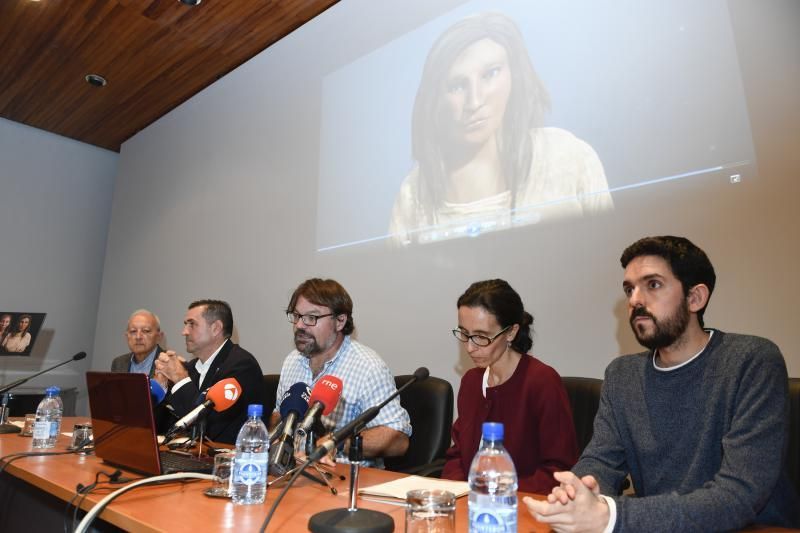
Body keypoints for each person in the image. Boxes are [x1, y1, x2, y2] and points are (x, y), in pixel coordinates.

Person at [525, 236, 800, 531]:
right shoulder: (622, 375)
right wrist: (578, 494)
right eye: (629, 289)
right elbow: (601, 460)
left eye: (652, 285)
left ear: (695, 298)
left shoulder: (751, 361)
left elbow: (738, 495)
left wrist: (611, 516)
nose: (635, 300)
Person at [390, 12, 612, 245]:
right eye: (457, 85)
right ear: (435, 99)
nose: (474, 101)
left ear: (514, 75)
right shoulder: (414, 194)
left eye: (490, 73)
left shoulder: (568, 156)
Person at [443, 279, 577, 493]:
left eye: (481, 336)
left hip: (523, 507)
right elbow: (457, 455)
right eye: (464, 334)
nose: (469, 347)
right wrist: (460, 492)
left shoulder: (541, 381)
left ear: (511, 332)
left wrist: (494, 494)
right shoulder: (471, 381)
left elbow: (558, 470)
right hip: (472, 505)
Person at [270, 278, 411, 467]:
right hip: (291, 474)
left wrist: (337, 442)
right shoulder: (292, 361)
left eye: (311, 318)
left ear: (340, 321)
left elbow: (398, 440)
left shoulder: (368, 367)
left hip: (342, 480)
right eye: (296, 316)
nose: (299, 326)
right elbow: (279, 415)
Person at [154, 300, 265, 444]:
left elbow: (208, 427)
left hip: (227, 459)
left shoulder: (242, 366)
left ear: (216, 328)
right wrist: (160, 387)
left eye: (192, 324)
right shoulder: (192, 367)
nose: (184, 332)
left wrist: (180, 379)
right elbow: (163, 427)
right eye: (185, 324)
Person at [111, 309, 164, 376]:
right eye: (133, 331)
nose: (138, 337)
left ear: (159, 336)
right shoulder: (118, 363)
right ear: (127, 336)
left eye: (145, 331)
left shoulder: (170, 363)